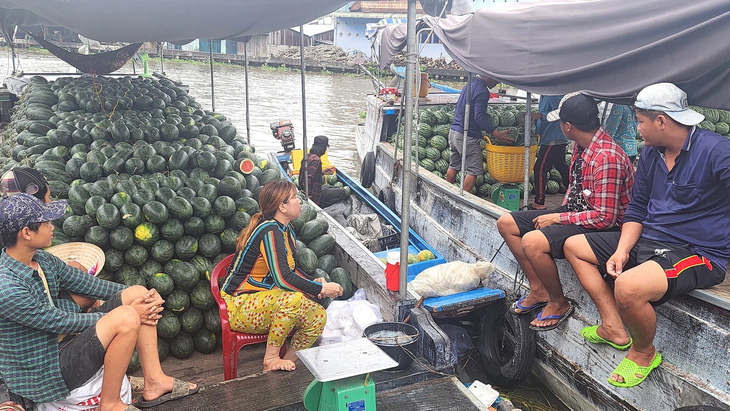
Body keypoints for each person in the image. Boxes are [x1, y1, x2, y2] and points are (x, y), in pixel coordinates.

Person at [563, 83, 730, 388]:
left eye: (640, 121)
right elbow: (638, 208)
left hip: (697, 251)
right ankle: (613, 325)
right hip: (650, 240)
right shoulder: (651, 154)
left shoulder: (716, 150)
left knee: (626, 287)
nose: (637, 128)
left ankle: (643, 350)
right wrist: (622, 250)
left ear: (661, 121)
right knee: (573, 246)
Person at [0, 193, 198, 411]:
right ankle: (110, 404)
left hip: (61, 345)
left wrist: (143, 295)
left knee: (137, 294)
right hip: (44, 372)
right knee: (127, 317)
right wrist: (116, 317)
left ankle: (155, 381)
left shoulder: (42, 260)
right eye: (46, 223)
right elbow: (58, 322)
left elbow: (89, 285)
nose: (52, 227)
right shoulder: (7, 287)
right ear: (26, 233)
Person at [496, 92, 634, 331]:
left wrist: (558, 217)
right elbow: (576, 194)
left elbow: (605, 217)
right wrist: (561, 213)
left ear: (567, 126)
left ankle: (558, 302)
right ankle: (538, 289)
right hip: (577, 211)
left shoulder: (606, 157)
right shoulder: (581, 146)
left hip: (603, 225)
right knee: (506, 223)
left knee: (532, 242)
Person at [221, 180, 343, 373]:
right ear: (282, 206)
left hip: (265, 300)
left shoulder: (285, 230)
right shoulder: (269, 231)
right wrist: (321, 289)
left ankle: (281, 366)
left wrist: (313, 283)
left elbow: (289, 270)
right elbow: (283, 279)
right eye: (295, 198)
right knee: (291, 299)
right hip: (238, 305)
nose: (300, 202)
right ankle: (270, 359)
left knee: (318, 316)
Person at [0, 167, 97, 312]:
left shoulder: (13, 228)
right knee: (81, 280)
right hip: (33, 311)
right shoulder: (10, 278)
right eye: (48, 197)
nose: (50, 202)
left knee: (81, 278)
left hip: (40, 301)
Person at [446, 75, 512, 193]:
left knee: (454, 165)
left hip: (454, 131)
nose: (497, 83)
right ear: (486, 76)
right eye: (495, 79)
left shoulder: (471, 83)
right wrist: (495, 133)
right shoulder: (482, 91)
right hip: (467, 135)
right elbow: (479, 117)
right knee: (474, 170)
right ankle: (464, 200)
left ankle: (446, 193)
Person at [530, 95, 570, 210]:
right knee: (561, 166)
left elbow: (560, 113)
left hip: (554, 139)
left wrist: (540, 116)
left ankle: (539, 202)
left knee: (540, 168)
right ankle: (574, 194)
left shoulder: (554, 94)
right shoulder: (544, 95)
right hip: (550, 137)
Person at [299, 135, 348, 208]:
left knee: (328, 186)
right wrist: (308, 196)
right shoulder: (316, 160)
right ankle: (321, 205)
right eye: (326, 147)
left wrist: (323, 172)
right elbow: (308, 178)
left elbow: (308, 174)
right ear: (323, 148)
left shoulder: (308, 156)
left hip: (312, 190)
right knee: (343, 192)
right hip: (314, 195)